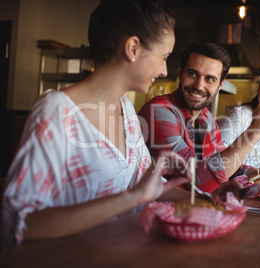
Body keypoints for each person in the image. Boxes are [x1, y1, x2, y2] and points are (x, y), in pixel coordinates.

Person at [1, 0, 193, 248]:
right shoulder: (57, 111)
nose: (165, 70)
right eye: (163, 57)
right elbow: (20, 223)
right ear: (133, 48)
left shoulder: (127, 113)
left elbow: (147, 186)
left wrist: (209, 197)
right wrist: (132, 197)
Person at [138, 43, 260, 194]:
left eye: (210, 79)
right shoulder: (158, 112)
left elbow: (227, 166)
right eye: (192, 74)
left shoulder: (206, 117)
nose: (199, 85)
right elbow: (197, 180)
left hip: (197, 209)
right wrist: (254, 132)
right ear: (180, 73)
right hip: (160, 213)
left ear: (220, 85)